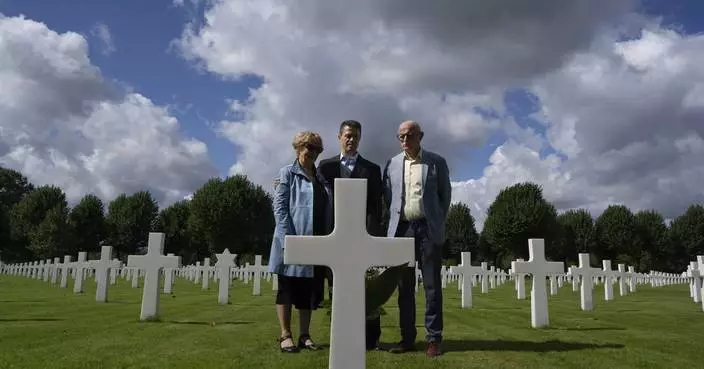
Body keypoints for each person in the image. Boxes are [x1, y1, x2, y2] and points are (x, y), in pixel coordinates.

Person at [382, 120, 451, 358]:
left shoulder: (436, 162)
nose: (404, 141)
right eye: (400, 136)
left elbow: (445, 197)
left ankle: (433, 339)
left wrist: (436, 221)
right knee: (404, 288)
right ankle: (407, 338)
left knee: (432, 287)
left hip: (428, 230)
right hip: (402, 230)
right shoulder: (391, 164)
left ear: (420, 136)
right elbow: (389, 197)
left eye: (409, 136)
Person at [317, 119, 383, 350]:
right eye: (347, 135)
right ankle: (342, 336)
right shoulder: (325, 167)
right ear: (339, 137)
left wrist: (373, 237)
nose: (351, 139)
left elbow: (376, 207)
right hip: (334, 235)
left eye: (355, 136)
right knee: (338, 288)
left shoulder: (372, 169)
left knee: (367, 289)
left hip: (362, 236)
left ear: (360, 139)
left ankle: (370, 339)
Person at [268, 131, 332, 353]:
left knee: (307, 291)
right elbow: (280, 208)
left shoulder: (321, 178)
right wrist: (288, 241)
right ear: (297, 148)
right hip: (291, 240)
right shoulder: (287, 173)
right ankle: (285, 334)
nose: (309, 152)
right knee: (286, 288)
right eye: (305, 147)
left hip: (314, 242)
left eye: (314, 148)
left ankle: (305, 334)